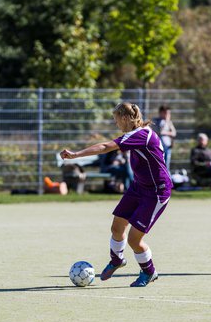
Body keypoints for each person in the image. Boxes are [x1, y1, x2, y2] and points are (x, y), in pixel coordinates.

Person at [60, 102, 173, 287]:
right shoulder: (135, 134)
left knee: (135, 239)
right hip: (139, 187)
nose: (116, 124)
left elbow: (105, 146)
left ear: (126, 118)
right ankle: (117, 260)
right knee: (117, 227)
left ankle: (149, 271)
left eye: (116, 120)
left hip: (156, 191)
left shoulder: (142, 135)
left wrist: (76, 154)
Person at [153, 105, 176, 172]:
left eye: (169, 113)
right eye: (167, 113)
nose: (168, 115)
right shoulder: (156, 121)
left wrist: (165, 132)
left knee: (166, 166)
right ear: (161, 112)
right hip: (157, 147)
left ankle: (166, 181)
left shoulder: (169, 122)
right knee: (158, 166)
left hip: (167, 147)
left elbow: (174, 133)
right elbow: (159, 131)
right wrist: (165, 123)